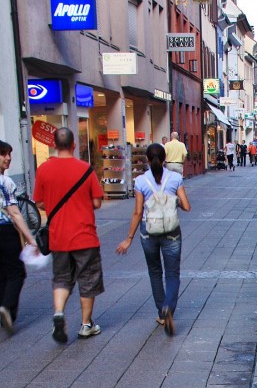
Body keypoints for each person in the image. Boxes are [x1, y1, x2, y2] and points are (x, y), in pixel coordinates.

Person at [34, 127, 105, 343]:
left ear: (54, 145)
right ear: (74, 145)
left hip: (58, 237)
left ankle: (58, 313)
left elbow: (38, 202)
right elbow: (97, 202)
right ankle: (86, 325)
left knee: (62, 278)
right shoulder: (86, 169)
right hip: (84, 235)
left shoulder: (44, 169)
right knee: (88, 278)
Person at [116, 143, 190, 336]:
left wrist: (129, 238)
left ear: (147, 160)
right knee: (172, 273)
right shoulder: (175, 178)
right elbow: (187, 206)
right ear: (164, 159)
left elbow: (138, 212)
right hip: (171, 232)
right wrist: (174, 200)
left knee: (155, 272)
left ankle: (161, 312)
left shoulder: (141, 181)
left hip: (148, 233)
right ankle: (168, 307)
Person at [0, 140, 39, 334]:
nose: (8, 158)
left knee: (1, 273)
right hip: (5, 232)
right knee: (16, 273)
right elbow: (14, 213)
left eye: (9, 153)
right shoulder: (5, 182)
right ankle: (6, 308)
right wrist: (30, 238)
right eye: (3, 154)